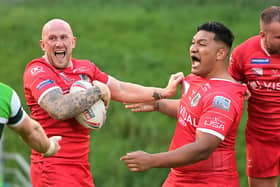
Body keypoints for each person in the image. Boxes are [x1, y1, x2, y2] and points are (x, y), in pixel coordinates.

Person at [23, 18, 181, 187]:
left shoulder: (85, 68)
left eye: (63, 37)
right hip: (52, 166)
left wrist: (164, 92)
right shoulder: (37, 70)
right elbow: (59, 108)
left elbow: (121, 89)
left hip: (81, 167)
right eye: (52, 38)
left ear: (73, 42)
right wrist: (97, 91)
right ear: (42, 44)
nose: (59, 44)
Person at [121, 22, 247, 186]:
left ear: (220, 53)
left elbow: (203, 148)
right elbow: (193, 109)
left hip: (209, 181)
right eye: (193, 42)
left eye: (202, 44)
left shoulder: (222, 98)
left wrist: (151, 160)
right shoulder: (197, 78)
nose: (193, 48)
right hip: (178, 177)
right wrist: (158, 105)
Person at [228, 6, 280, 187]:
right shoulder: (243, 54)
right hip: (262, 138)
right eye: (279, 37)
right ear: (262, 35)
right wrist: (239, 88)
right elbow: (227, 86)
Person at [0, 82, 61, 156]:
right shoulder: (5, 95)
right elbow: (30, 132)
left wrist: (49, 147)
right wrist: (50, 147)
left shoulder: (6, 95)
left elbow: (30, 132)